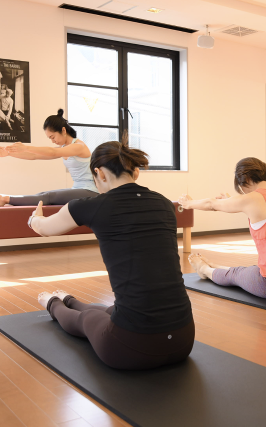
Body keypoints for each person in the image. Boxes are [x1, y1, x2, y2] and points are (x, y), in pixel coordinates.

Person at [27, 140, 194, 370]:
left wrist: (33, 219)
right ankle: (70, 300)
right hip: (183, 341)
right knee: (111, 311)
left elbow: (44, 228)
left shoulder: (92, 206)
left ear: (100, 173)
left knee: (87, 319)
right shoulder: (165, 204)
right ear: (135, 172)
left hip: (131, 348)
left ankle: (53, 303)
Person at [178, 157, 266, 300]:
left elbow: (211, 204)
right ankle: (214, 265)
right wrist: (231, 200)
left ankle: (204, 270)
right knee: (250, 270)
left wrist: (189, 203)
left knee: (236, 275)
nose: (243, 192)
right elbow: (262, 211)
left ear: (246, 179)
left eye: (241, 187)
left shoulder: (252, 198)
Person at [0, 109, 98, 207]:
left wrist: (25, 147)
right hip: (78, 188)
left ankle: (4, 198)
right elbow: (34, 156)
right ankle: (4, 198)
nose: (52, 141)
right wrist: (9, 153)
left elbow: (52, 152)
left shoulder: (79, 146)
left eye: (53, 137)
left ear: (63, 130)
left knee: (48, 197)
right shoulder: (64, 148)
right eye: (50, 138)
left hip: (91, 191)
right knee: (44, 194)